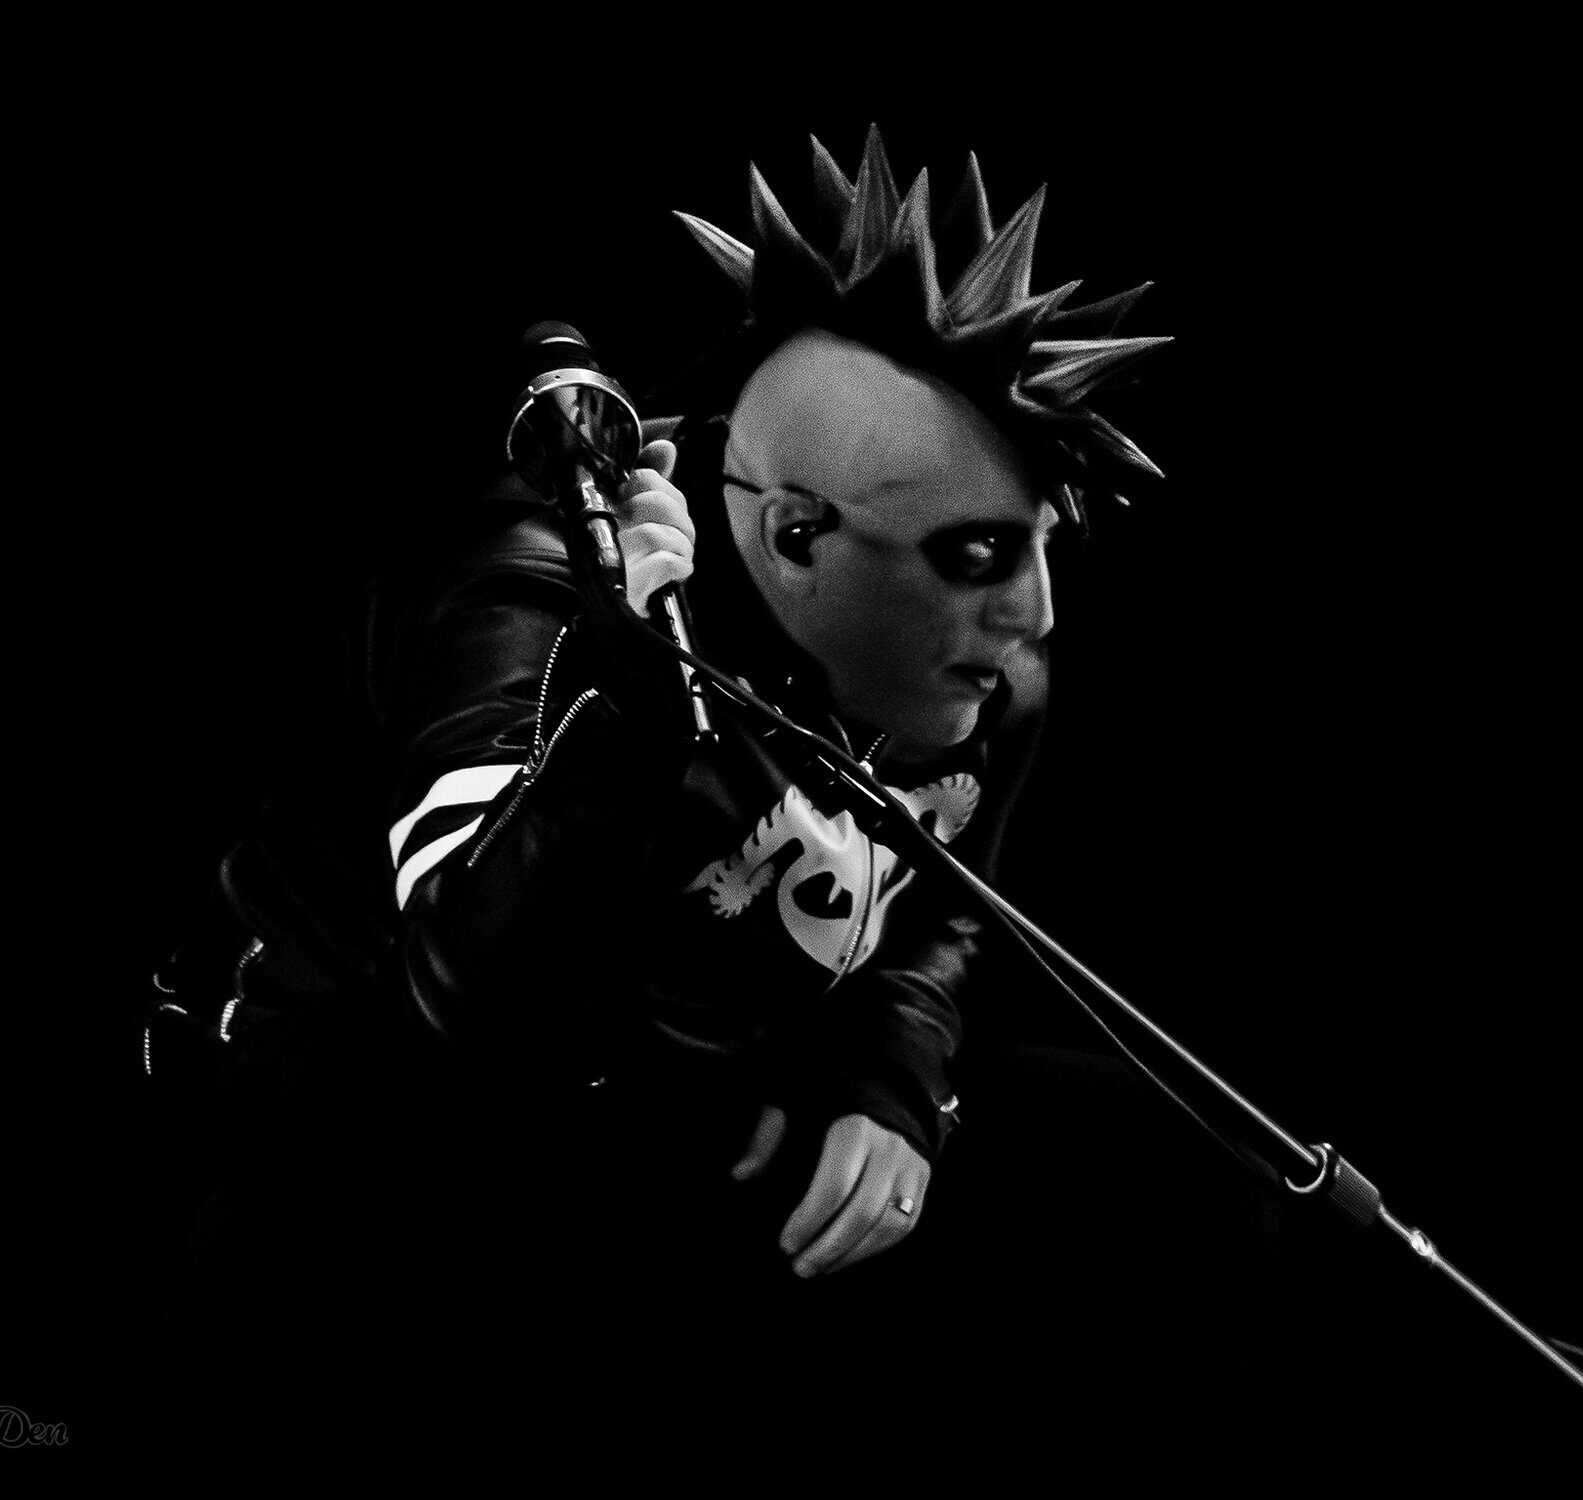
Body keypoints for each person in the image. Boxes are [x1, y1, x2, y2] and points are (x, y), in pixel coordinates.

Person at [155, 128, 1271, 1459]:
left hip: (696, 1107)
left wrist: (893, 1078)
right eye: (976, 556)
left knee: (1185, 1181)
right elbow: (454, 1001)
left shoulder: (983, 680)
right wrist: (628, 731)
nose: (1031, 615)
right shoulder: (542, 590)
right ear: (797, 537)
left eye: (1040, 548)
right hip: (385, 1142)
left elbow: (943, 913)